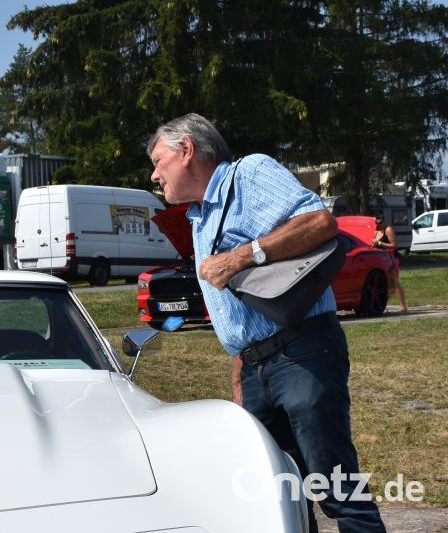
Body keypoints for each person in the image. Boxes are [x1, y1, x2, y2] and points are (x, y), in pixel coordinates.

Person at [148, 113, 386, 533]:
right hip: (256, 368)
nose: (154, 174)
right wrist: (241, 366)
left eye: (158, 160)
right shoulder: (197, 216)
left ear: (186, 151)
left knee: (337, 491)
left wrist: (242, 255)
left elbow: (320, 223)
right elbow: (237, 308)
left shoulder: (250, 173)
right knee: (279, 500)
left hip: (302, 352)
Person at [371, 214, 407, 313]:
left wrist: (379, 243)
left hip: (391, 259)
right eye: (377, 222)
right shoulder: (375, 231)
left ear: (384, 220)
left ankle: (403, 306)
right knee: (386, 284)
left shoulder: (388, 230)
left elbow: (394, 245)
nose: (379, 224)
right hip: (381, 260)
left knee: (395, 283)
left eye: (381, 222)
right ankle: (382, 304)